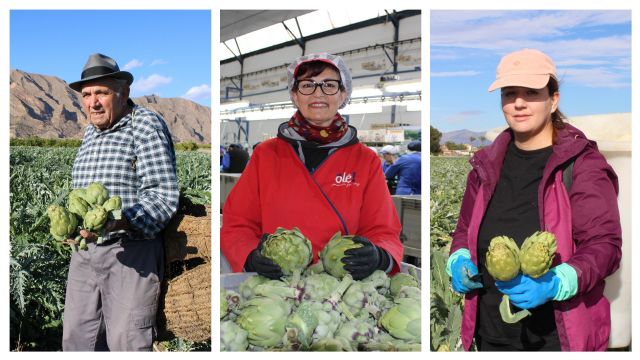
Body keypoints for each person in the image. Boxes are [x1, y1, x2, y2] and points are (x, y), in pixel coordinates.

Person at [446, 49, 621, 351]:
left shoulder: (582, 165)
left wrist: (558, 281)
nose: (518, 103)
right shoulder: (484, 166)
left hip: (557, 337)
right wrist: (458, 257)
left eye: (531, 92)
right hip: (489, 333)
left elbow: (604, 245)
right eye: (509, 93)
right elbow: (464, 230)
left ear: (554, 99)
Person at [221, 52, 403, 280]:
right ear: (295, 95)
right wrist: (249, 255)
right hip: (275, 286)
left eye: (329, 85)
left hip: (341, 290)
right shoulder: (265, 155)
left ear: (343, 94)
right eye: (307, 85)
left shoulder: (365, 160)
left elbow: (383, 229)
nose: (318, 93)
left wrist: (379, 256)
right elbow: (238, 222)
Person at [63, 53, 179, 351]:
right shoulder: (90, 131)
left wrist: (116, 221)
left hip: (131, 252)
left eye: (102, 92)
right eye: (87, 95)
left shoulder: (145, 125)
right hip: (85, 253)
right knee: (78, 338)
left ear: (123, 92)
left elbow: (162, 196)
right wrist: (71, 227)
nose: (93, 102)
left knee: (127, 341)